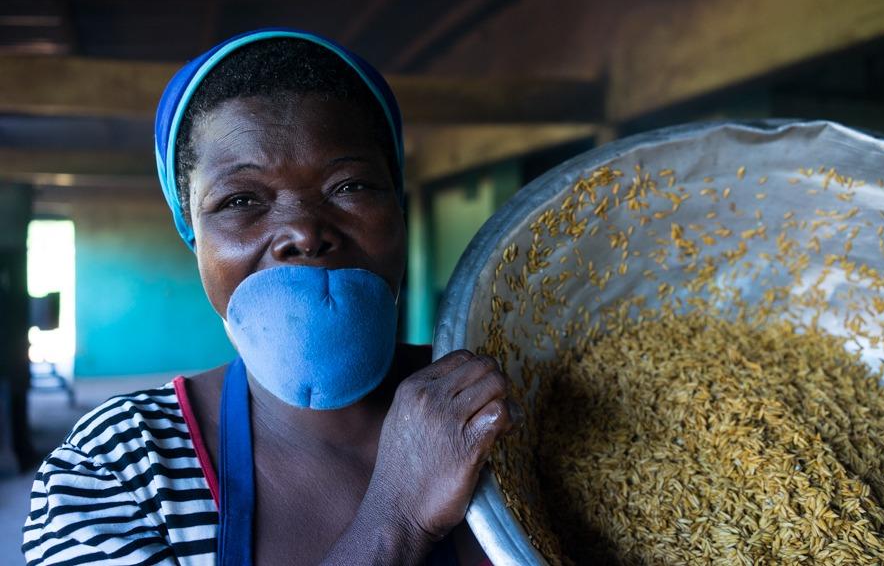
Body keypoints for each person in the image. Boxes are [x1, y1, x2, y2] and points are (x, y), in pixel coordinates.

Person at [22, 28, 515, 565]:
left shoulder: (514, 405)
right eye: (240, 199)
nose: (303, 230)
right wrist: (395, 516)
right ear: (194, 234)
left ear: (397, 207)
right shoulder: (115, 469)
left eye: (348, 187)